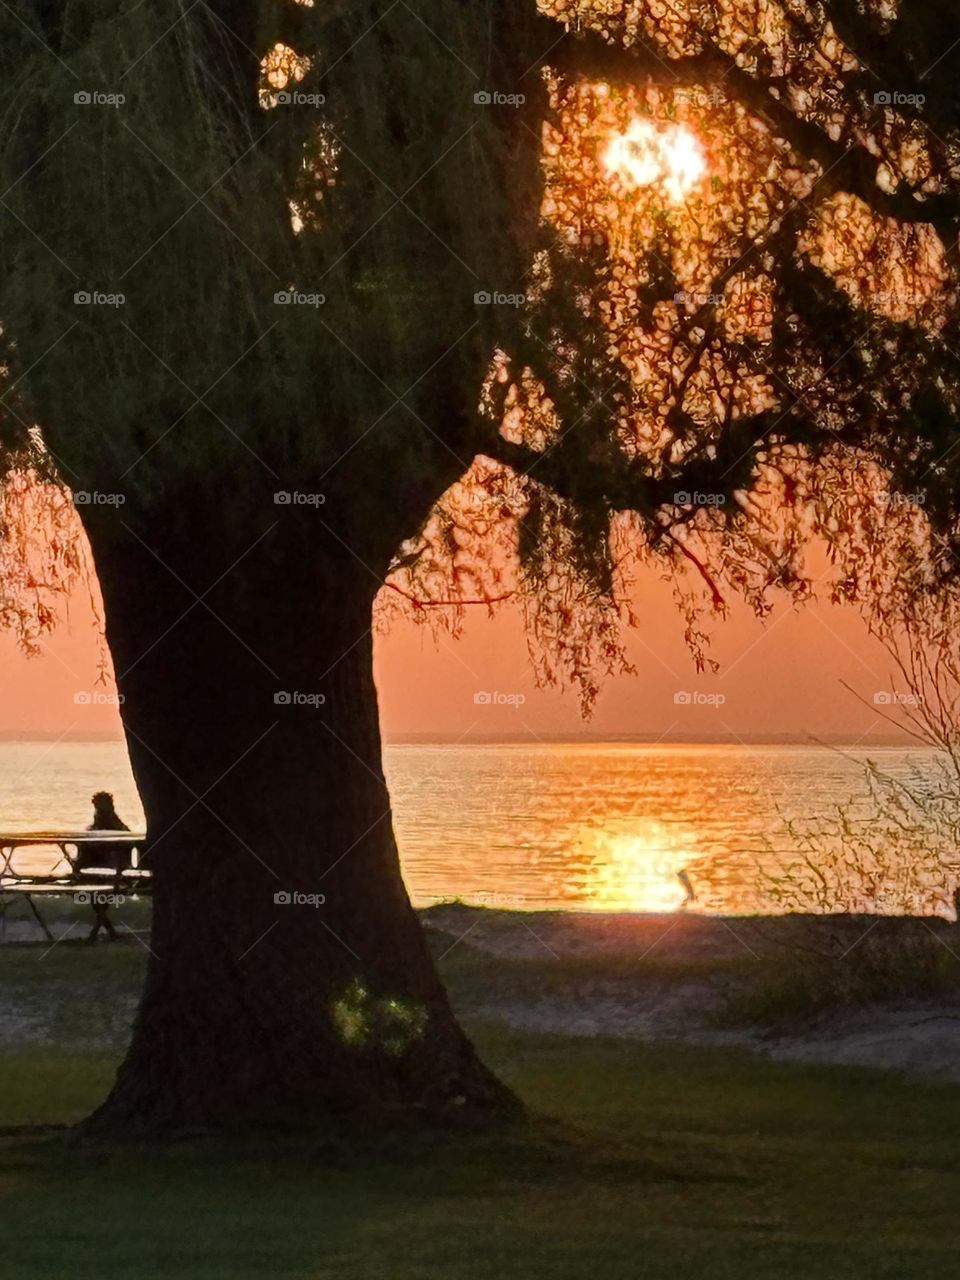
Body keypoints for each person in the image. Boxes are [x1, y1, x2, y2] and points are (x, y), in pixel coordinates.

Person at [76, 791, 131, 875]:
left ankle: (78, 873)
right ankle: (78, 872)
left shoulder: (111, 820)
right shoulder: (111, 820)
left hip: (112, 858)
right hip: (104, 856)